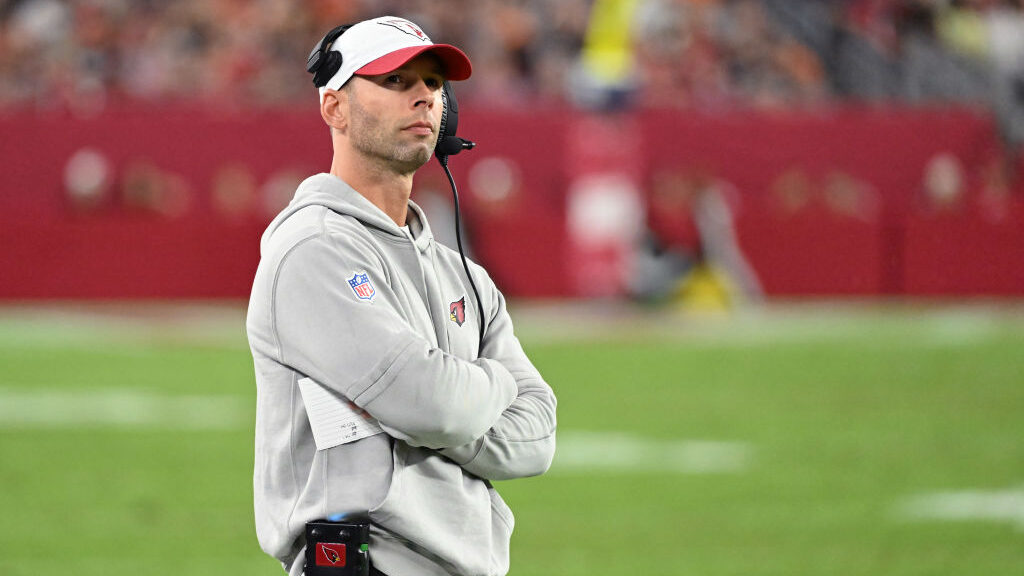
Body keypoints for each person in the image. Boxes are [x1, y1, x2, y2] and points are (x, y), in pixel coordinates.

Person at [245, 16, 558, 576]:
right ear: (334, 107)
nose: (422, 97)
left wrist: (439, 410)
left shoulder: (463, 274)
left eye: (434, 84)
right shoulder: (312, 249)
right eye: (394, 81)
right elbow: (432, 406)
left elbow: (536, 439)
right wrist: (494, 385)